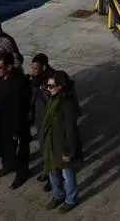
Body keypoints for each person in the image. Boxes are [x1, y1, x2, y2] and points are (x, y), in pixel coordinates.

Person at [42, 71, 82, 212]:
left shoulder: (67, 104)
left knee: (67, 173)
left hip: (63, 145)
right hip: (52, 143)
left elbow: (70, 130)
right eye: (47, 85)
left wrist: (69, 151)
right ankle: (58, 194)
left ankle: (71, 199)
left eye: (51, 86)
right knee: (53, 171)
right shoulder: (54, 98)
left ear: (60, 86)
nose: (48, 88)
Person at [0, 53, 33, 187]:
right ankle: (7, 165)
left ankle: (22, 174)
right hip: (3, 120)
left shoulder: (20, 82)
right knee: (6, 146)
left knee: (21, 150)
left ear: (9, 67)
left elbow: (21, 108)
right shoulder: (0, 77)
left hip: (17, 122)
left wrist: (17, 129)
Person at [29, 53, 55, 183]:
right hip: (39, 117)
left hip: (49, 119)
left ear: (43, 68)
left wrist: (38, 89)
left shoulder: (51, 81)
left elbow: (48, 100)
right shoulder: (36, 79)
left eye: (35, 69)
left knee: (51, 149)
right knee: (43, 147)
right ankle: (47, 170)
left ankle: (53, 178)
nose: (33, 71)